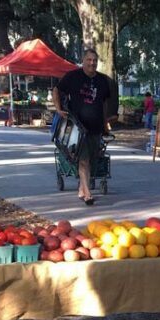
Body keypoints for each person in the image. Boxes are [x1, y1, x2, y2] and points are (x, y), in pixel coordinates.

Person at [52, 49, 112, 206]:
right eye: (89, 60)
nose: (92, 63)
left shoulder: (102, 80)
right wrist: (58, 109)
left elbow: (104, 103)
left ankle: (81, 187)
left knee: (92, 159)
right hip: (78, 128)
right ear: (83, 61)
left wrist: (105, 123)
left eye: (94, 60)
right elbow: (56, 90)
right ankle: (87, 194)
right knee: (83, 160)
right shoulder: (73, 77)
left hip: (96, 127)